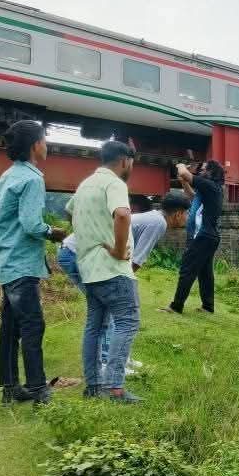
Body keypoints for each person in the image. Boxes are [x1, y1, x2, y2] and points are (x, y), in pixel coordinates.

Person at [58, 193, 190, 379]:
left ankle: (119, 358)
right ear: (178, 214)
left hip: (77, 252)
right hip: (77, 255)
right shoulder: (158, 223)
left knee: (111, 310)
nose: (187, 218)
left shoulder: (153, 218)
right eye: (187, 213)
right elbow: (136, 262)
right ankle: (107, 365)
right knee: (109, 310)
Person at [0, 120, 67, 404]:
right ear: (35, 145)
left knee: (10, 326)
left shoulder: (6, 177)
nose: (47, 145)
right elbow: (32, 224)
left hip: (5, 261)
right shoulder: (32, 178)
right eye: (44, 140)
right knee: (33, 325)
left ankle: (10, 388)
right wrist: (54, 233)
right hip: (22, 262)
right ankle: (37, 389)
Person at [67, 140, 141, 403]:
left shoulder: (85, 184)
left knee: (94, 327)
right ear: (125, 161)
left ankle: (94, 386)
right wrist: (121, 251)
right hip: (112, 269)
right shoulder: (115, 183)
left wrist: (92, 234)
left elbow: (70, 212)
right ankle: (114, 387)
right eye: (132, 162)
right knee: (127, 321)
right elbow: (122, 215)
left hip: (88, 268)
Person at [164, 160, 224, 314]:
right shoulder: (209, 190)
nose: (200, 171)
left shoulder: (210, 185)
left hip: (203, 236)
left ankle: (176, 307)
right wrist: (184, 182)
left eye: (203, 169)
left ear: (211, 172)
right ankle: (208, 307)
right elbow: (192, 196)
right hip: (209, 237)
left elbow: (184, 172)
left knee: (187, 268)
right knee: (205, 272)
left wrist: (180, 166)